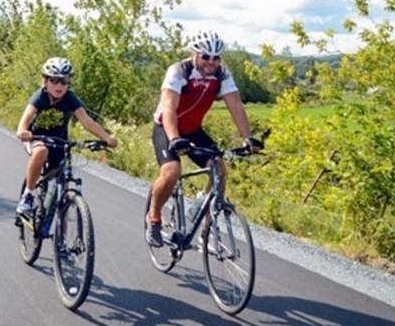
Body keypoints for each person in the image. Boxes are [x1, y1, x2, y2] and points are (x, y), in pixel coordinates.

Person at [146, 30, 262, 247]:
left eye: (216, 57)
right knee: (171, 171)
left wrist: (248, 138)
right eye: (206, 56)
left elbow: (235, 105)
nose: (211, 62)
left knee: (219, 169)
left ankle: (206, 226)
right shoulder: (179, 71)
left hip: (193, 130)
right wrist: (174, 138)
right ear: (194, 53)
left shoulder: (222, 75)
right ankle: (153, 218)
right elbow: (169, 107)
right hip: (167, 127)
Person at [15, 57, 118, 214]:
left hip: (59, 141)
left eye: (64, 81)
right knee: (41, 151)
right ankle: (28, 195)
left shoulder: (70, 98)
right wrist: (23, 130)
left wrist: (106, 137)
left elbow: (86, 120)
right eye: (54, 80)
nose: (59, 85)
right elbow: (27, 116)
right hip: (36, 138)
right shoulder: (40, 97)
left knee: (63, 172)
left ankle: (62, 225)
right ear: (45, 81)